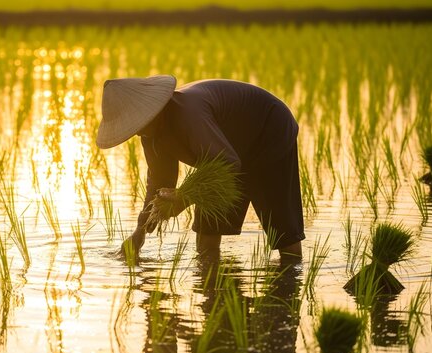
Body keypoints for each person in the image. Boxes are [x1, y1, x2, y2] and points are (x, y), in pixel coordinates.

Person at [96, 75, 304, 262]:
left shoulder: (188, 113)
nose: (137, 131)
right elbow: (160, 183)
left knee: (283, 235)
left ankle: (289, 284)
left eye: (136, 124)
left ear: (149, 110)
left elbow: (227, 164)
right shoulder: (150, 136)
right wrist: (140, 232)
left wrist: (184, 198)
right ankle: (213, 290)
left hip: (268, 132)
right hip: (226, 153)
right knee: (206, 238)